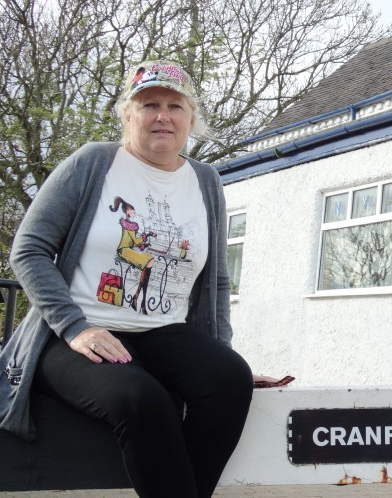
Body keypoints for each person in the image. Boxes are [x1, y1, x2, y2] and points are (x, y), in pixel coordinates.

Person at [0, 60, 273, 497]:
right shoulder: (92, 163)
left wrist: (217, 356)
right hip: (77, 333)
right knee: (142, 401)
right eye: (149, 104)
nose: (162, 116)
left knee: (229, 380)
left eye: (174, 105)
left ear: (190, 118)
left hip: (165, 332)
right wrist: (75, 327)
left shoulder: (206, 180)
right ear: (129, 113)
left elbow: (217, 279)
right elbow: (28, 250)